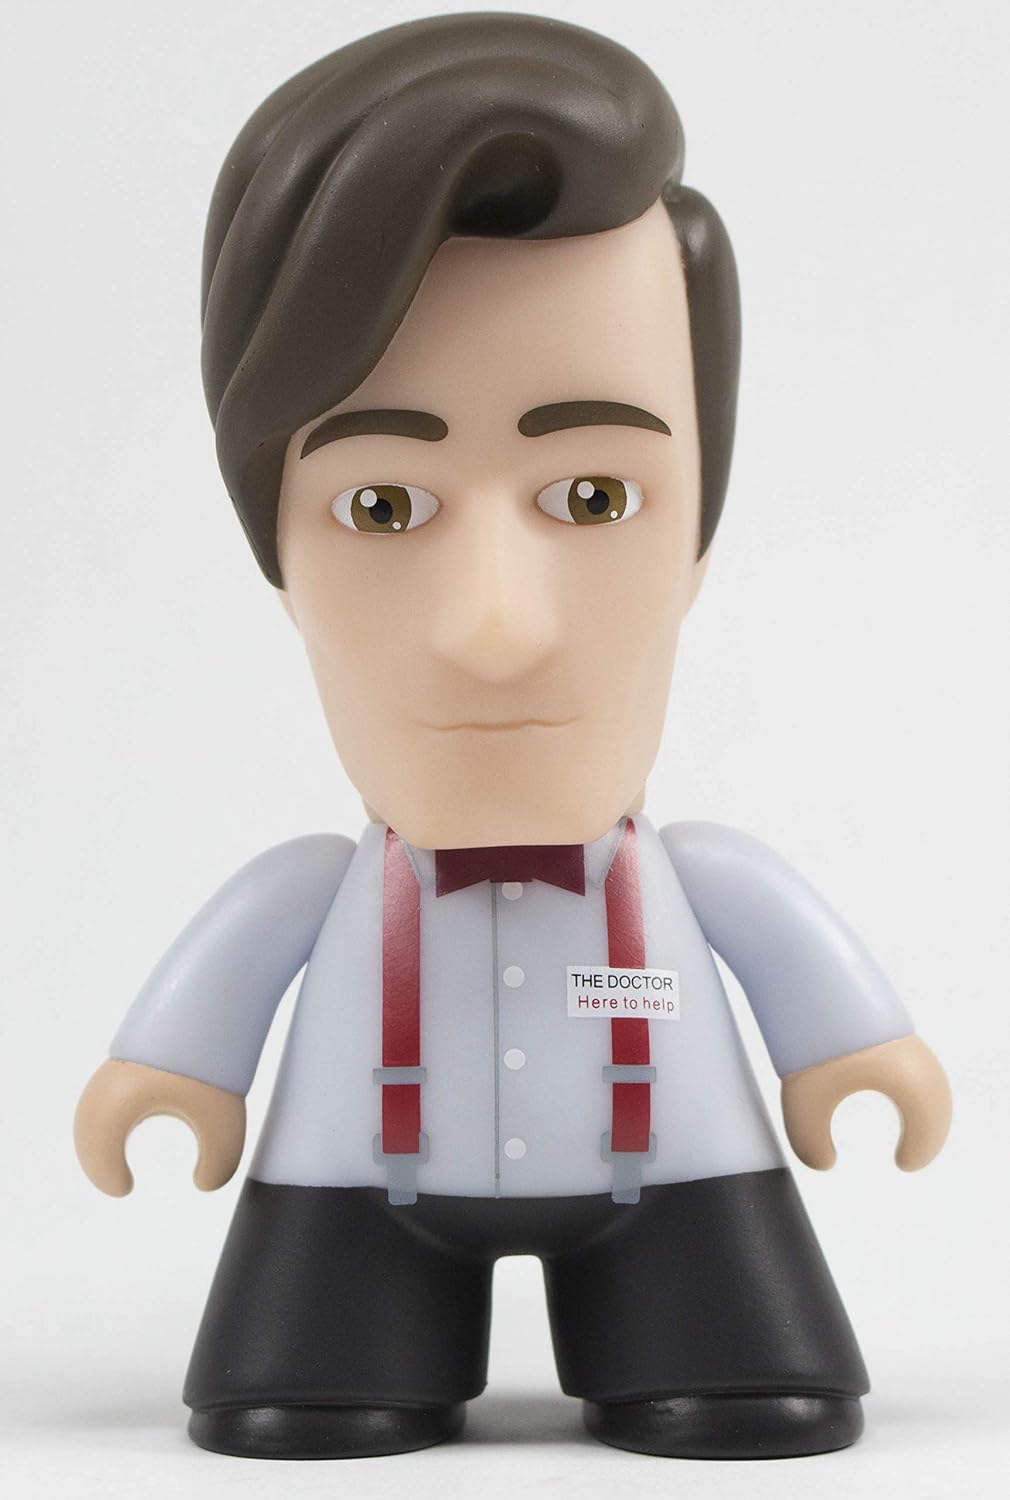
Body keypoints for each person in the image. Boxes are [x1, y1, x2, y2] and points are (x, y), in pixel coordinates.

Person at [73, 13, 951, 1462]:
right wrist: (175, 1072)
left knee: (746, 1389)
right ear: (277, 554)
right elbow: (212, 1002)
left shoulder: (703, 883)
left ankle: (706, 1357)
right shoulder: (313, 898)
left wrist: (847, 1050)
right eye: (381, 506)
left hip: (685, 1180)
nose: (496, 629)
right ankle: (346, 1369)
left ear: (699, 532)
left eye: (593, 497)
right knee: (306, 1398)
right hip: (348, 1191)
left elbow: (817, 992)